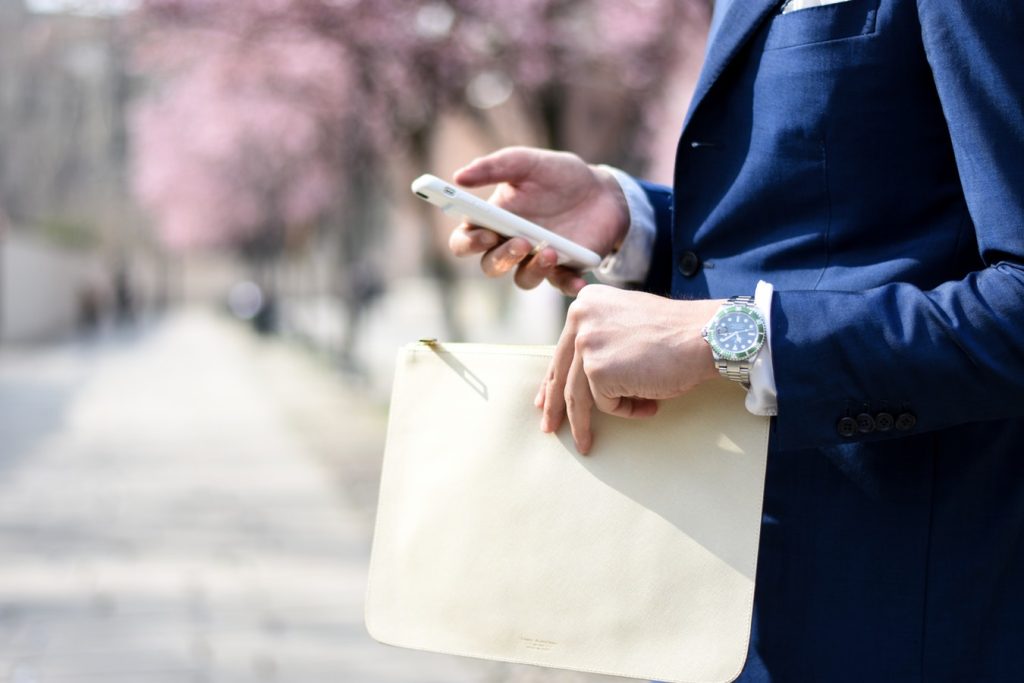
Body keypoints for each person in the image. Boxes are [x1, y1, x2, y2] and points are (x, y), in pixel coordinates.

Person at [447, 0, 1024, 680]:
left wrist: (730, 336)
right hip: (727, 604)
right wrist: (635, 223)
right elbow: (830, 227)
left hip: (894, 615)